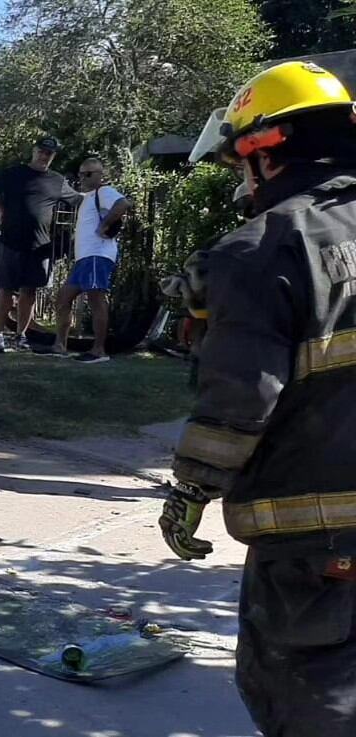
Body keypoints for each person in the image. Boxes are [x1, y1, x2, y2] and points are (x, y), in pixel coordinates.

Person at [159, 61, 356, 736]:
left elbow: (241, 400)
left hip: (318, 547)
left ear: (264, 154)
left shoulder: (264, 248)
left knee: (309, 697)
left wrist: (189, 488)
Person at [0, 137, 79, 352]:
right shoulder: (14, 173)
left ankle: (21, 335)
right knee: (5, 289)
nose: (44, 156)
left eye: (49, 154)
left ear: (53, 156)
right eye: (41, 151)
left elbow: (79, 200)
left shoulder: (57, 180)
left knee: (29, 292)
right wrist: (2, 209)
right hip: (10, 241)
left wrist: (103, 196)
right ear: (34, 151)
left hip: (39, 246)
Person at [38, 157, 130, 362]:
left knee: (96, 298)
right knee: (62, 299)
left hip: (97, 254)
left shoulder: (104, 192)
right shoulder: (86, 197)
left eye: (88, 174)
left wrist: (104, 225)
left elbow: (123, 203)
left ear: (100, 175)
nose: (83, 177)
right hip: (84, 258)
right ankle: (60, 345)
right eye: (80, 174)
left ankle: (99, 350)